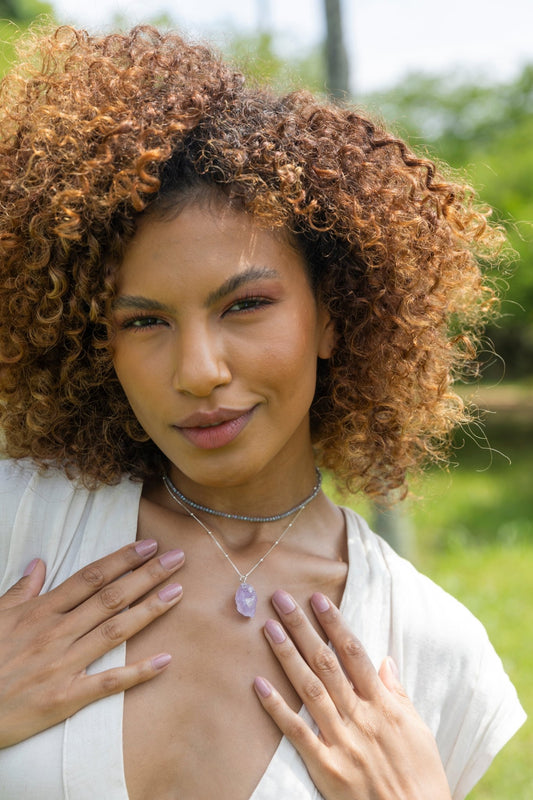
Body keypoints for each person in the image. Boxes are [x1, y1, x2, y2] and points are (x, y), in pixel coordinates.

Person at [0, 23, 525, 800]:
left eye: (244, 305)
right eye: (143, 321)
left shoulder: (430, 649)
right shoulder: (18, 525)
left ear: (333, 313)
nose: (199, 371)